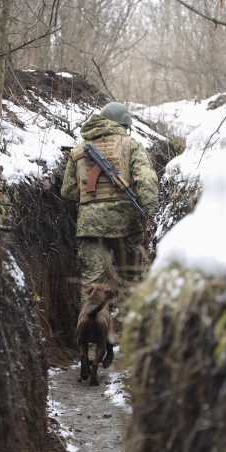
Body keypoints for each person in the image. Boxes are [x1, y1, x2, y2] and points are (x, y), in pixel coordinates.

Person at [61, 102, 159, 367]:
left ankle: (90, 350)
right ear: (124, 124)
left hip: (90, 226)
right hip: (127, 224)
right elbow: (146, 179)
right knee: (130, 279)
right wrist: (150, 212)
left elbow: (68, 193)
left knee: (92, 286)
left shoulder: (79, 149)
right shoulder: (130, 144)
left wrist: (82, 217)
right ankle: (127, 341)